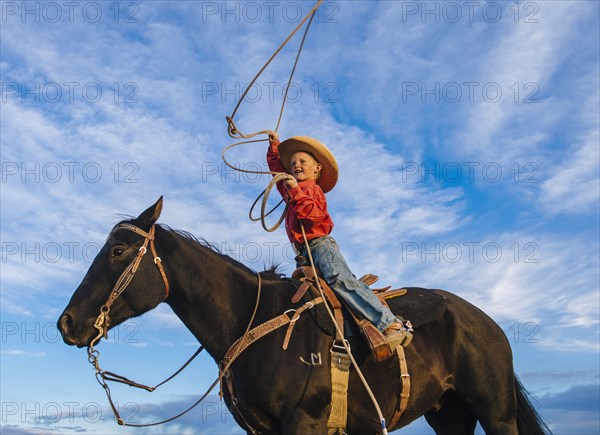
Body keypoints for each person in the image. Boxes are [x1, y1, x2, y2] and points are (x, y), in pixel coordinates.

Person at [266, 131, 412, 349]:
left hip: (320, 247)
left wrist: (295, 191)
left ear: (317, 169)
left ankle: (390, 325)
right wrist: (274, 147)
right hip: (303, 256)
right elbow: (277, 171)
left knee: (340, 280)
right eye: (293, 162)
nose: (296, 165)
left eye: (303, 161)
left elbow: (313, 216)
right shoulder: (291, 191)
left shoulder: (312, 190)